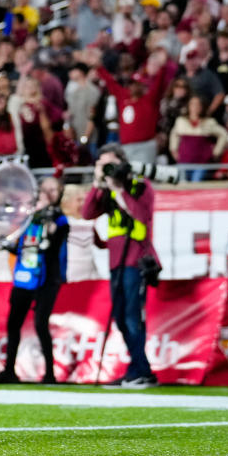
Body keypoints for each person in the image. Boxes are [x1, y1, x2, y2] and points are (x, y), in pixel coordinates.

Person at [83, 144, 159, 388]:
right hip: (116, 261)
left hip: (136, 259)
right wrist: (98, 182)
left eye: (111, 163)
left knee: (132, 316)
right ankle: (137, 368)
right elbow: (87, 213)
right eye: (102, 163)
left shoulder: (139, 186)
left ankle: (142, 371)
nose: (108, 168)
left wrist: (120, 190)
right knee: (120, 317)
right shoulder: (107, 190)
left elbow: (141, 216)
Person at [0, 177, 69, 384]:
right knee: (13, 323)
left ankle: (50, 374)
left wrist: (47, 220)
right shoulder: (27, 220)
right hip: (24, 277)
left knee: (40, 324)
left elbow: (54, 244)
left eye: (52, 191)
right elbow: (22, 247)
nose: (48, 195)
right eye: (44, 192)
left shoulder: (59, 220)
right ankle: (9, 371)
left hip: (46, 278)